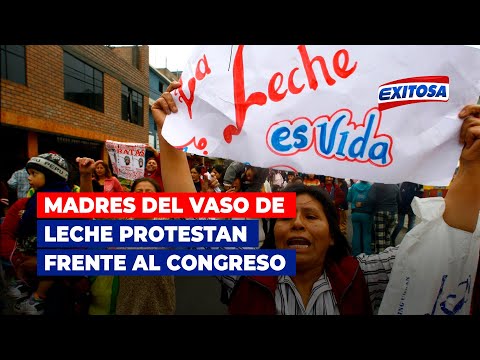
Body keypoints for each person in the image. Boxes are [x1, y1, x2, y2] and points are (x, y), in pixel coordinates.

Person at [152, 81, 480, 315]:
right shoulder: (244, 272)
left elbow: (443, 245)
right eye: (285, 217)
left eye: (310, 217)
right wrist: (171, 135)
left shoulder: (362, 275)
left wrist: (472, 162)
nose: (296, 224)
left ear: (333, 230)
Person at [77, 157, 176, 315]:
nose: (143, 195)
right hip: (126, 303)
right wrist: (85, 176)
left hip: (160, 302)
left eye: (149, 192)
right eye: (139, 192)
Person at [12, 153, 74, 315]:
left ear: (51, 176)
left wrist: (23, 223)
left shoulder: (45, 197)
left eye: (34, 174)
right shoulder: (57, 194)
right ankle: (34, 292)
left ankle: (37, 295)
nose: (29, 178)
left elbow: (29, 221)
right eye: (29, 173)